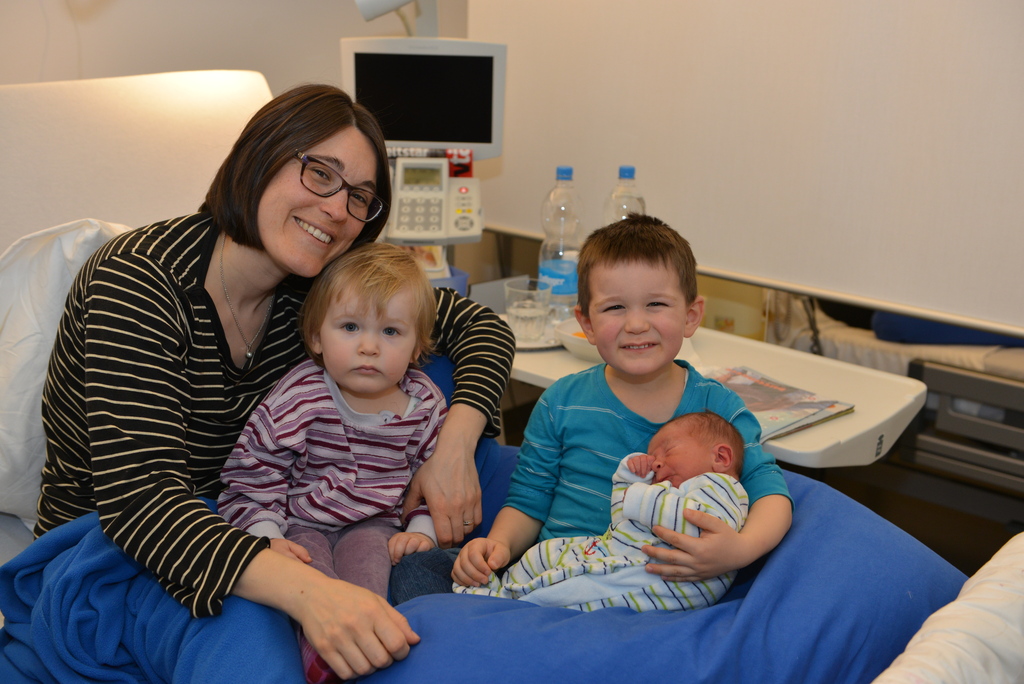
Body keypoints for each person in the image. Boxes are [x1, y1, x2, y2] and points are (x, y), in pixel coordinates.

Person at [32, 84, 515, 680]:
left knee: (509, 475)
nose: (337, 209)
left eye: (359, 196)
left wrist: (453, 446)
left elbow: (483, 326)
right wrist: (315, 595)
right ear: (259, 156)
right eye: (320, 174)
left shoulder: (315, 289)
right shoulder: (138, 281)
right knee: (263, 655)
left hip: (271, 519)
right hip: (115, 551)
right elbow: (142, 503)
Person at [452, 214, 792, 597]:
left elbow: (770, 492)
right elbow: (528, 502)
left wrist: (740, 550)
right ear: (587, 323)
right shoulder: (560, 403)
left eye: (656, 303)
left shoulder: (719, 407)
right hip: (560, 580)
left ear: (691, 316)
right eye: (615, 308)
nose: (636, 324)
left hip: (663, 592)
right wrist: (497, 546)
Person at [217, 242, 448, 682]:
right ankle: (314, 650)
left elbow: (433, 477)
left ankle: (360, 649)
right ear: (317, 338)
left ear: (417, 347)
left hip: (376, 524)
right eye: (350, 327)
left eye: (391, 332)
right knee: (308, 576)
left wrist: (422, 530)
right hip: (300, 521)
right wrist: (266, 535)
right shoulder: (299, 397)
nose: (369, 347)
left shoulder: (424, 405)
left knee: (368, 576)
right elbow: (253, 474)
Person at [453, 411, 749, 612]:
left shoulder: (721, 487)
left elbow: (695, 524)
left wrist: (639, 494)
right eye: (653, 457)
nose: (656, 463)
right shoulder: (663, 491)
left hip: (654, 580)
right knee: (545, 553)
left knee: (577, 590)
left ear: (721, 457)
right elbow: (622, 519)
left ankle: (512, 602)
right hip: (617, 552)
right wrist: (629, 477)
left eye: (668, 452)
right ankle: (504, 585)